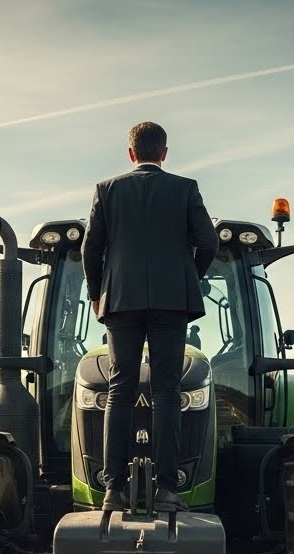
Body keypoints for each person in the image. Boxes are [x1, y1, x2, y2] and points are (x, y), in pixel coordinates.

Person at [80, 121, 218, 513]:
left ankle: (113, 489)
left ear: (131, 153)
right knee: (166, 391)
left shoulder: (107, 190)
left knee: (119, 389)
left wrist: (97, 294)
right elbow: (208, 242)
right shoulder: (185, 189)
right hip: (172, 303)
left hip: (121, 300)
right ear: (164, 153)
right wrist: (188, 278)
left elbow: (91, 249)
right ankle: (168, 490)